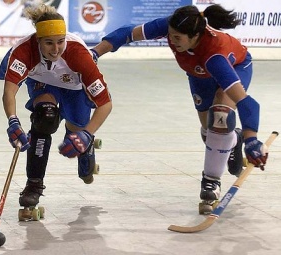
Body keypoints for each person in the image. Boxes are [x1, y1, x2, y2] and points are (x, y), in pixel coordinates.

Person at [91, 4, 268, 207]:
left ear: (195, 37)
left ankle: (211, 181)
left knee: (221, 114)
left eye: (178, 39)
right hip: (198, 74)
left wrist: (252, 139)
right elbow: (127, 33)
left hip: (236, 66)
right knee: (208, 132)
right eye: (171, 36)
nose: (172, 42)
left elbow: (246, 102)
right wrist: (95, 53)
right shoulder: (170, 26)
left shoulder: (215, 56)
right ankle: (232, 139)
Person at [0, 4, 112, 208]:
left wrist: (86, 134)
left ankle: (86, 150)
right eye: (49, 43)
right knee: (44, 119)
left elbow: (105, 104)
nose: (56, 49)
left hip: (74, 89)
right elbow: (9, 91)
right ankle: (34, 184)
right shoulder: (23, 50)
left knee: (77, 134)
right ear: (38, 40)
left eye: (60, 42)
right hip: (44, 84)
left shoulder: (78, 53)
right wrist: (12, 120)